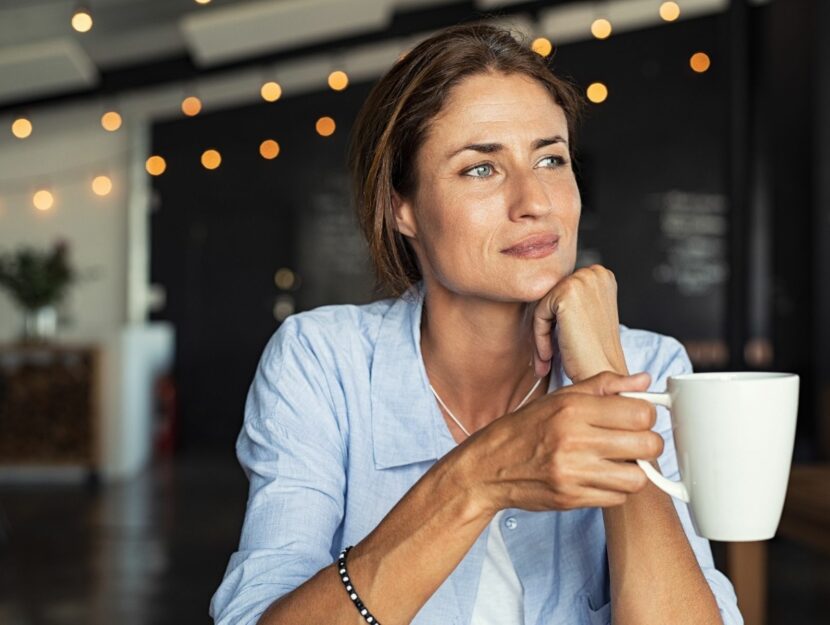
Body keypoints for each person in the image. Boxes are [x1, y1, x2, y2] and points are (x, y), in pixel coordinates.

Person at [210, 23, 742, 625]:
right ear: (400, 207)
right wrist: (478, 479)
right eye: (480, 169)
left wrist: (602, 370)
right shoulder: (321, 362)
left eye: (551, 158)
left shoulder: (651, 367)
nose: (535, 200)